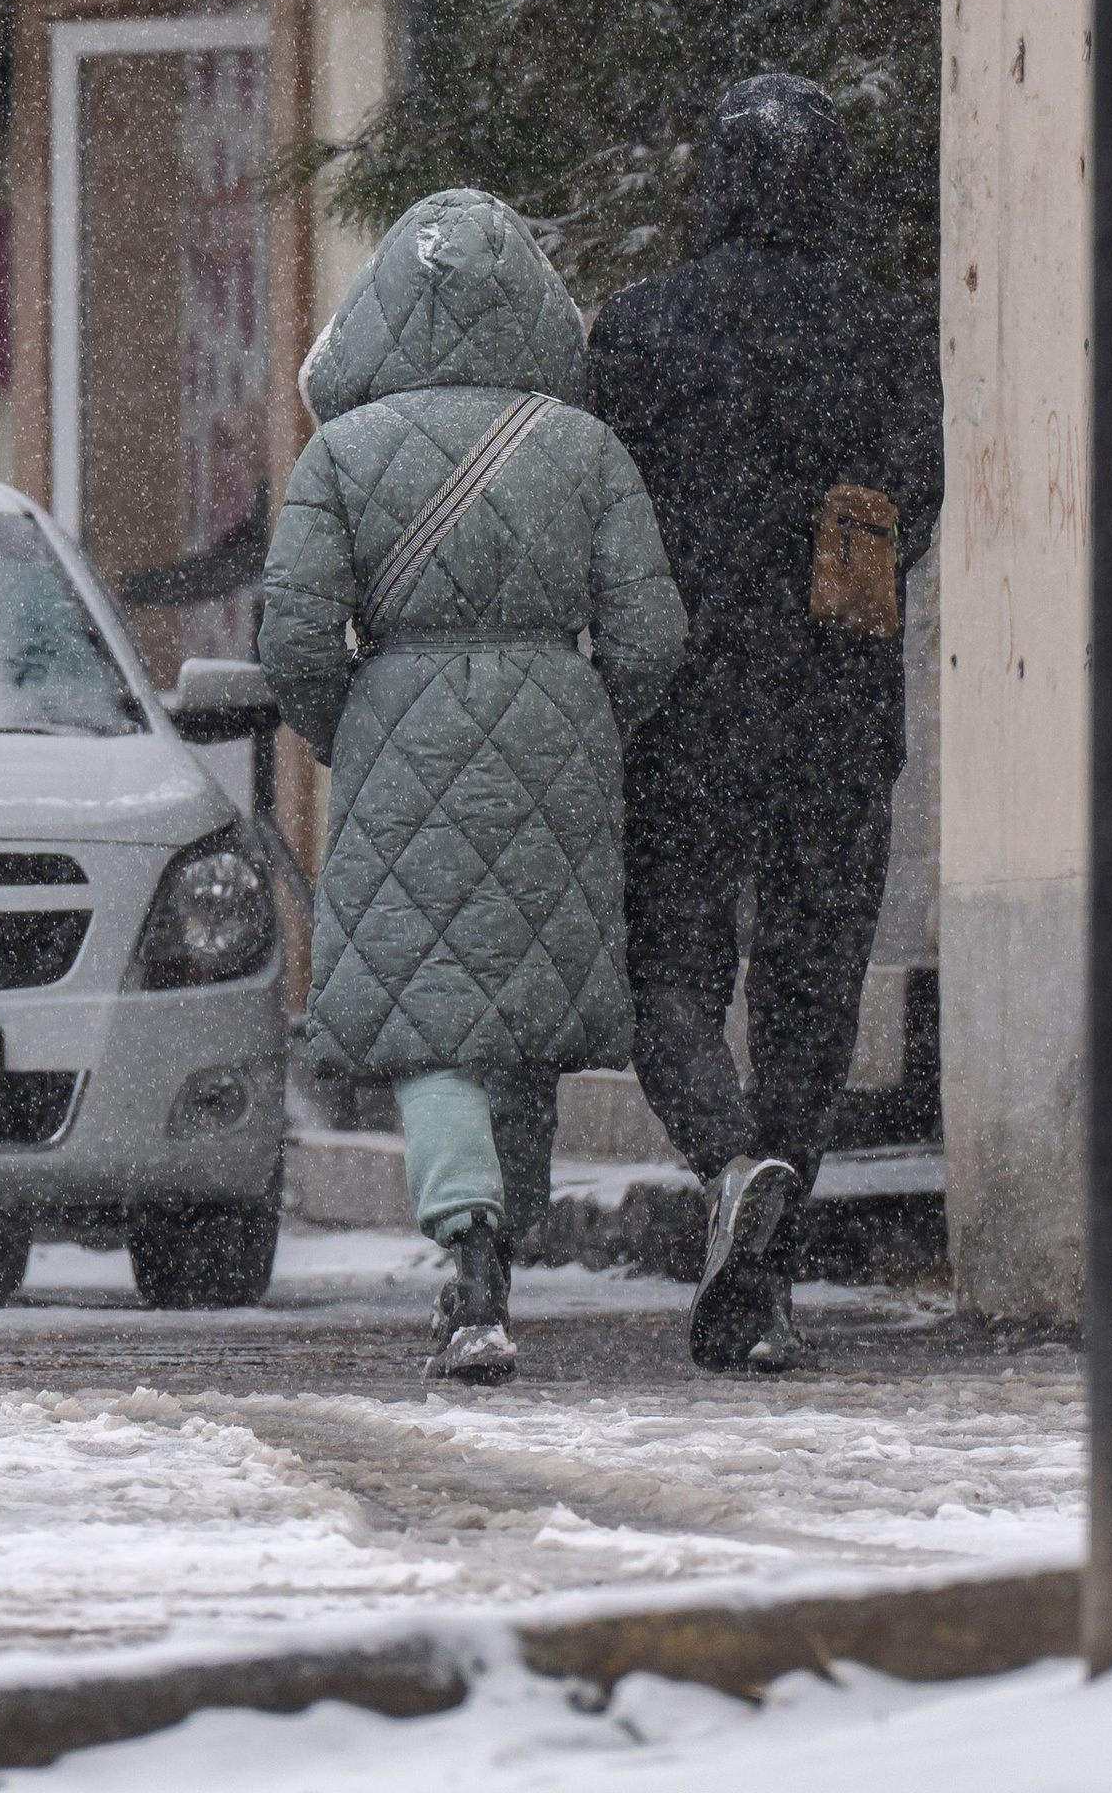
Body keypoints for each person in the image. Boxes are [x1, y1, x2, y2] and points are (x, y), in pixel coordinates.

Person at [261, 186, 684, 1384]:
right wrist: (590, 715)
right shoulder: (586, 450)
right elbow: (648, 632)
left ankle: (467, 1246)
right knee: (526, 1017)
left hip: (398, 725)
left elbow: (294, 635)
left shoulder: (341, 453)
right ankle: (511, 1224)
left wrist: (358, 721)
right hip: (560, 735)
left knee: (427, 1020)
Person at [587, 74, 942, 1373]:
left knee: (666, 975)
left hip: (682, 712)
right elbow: (915, 502)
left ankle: (729, 1160)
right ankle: (767, 1272)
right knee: (808, 994)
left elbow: (599, 509)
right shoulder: (884, 336)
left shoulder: (638, 331)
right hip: (837, 715)